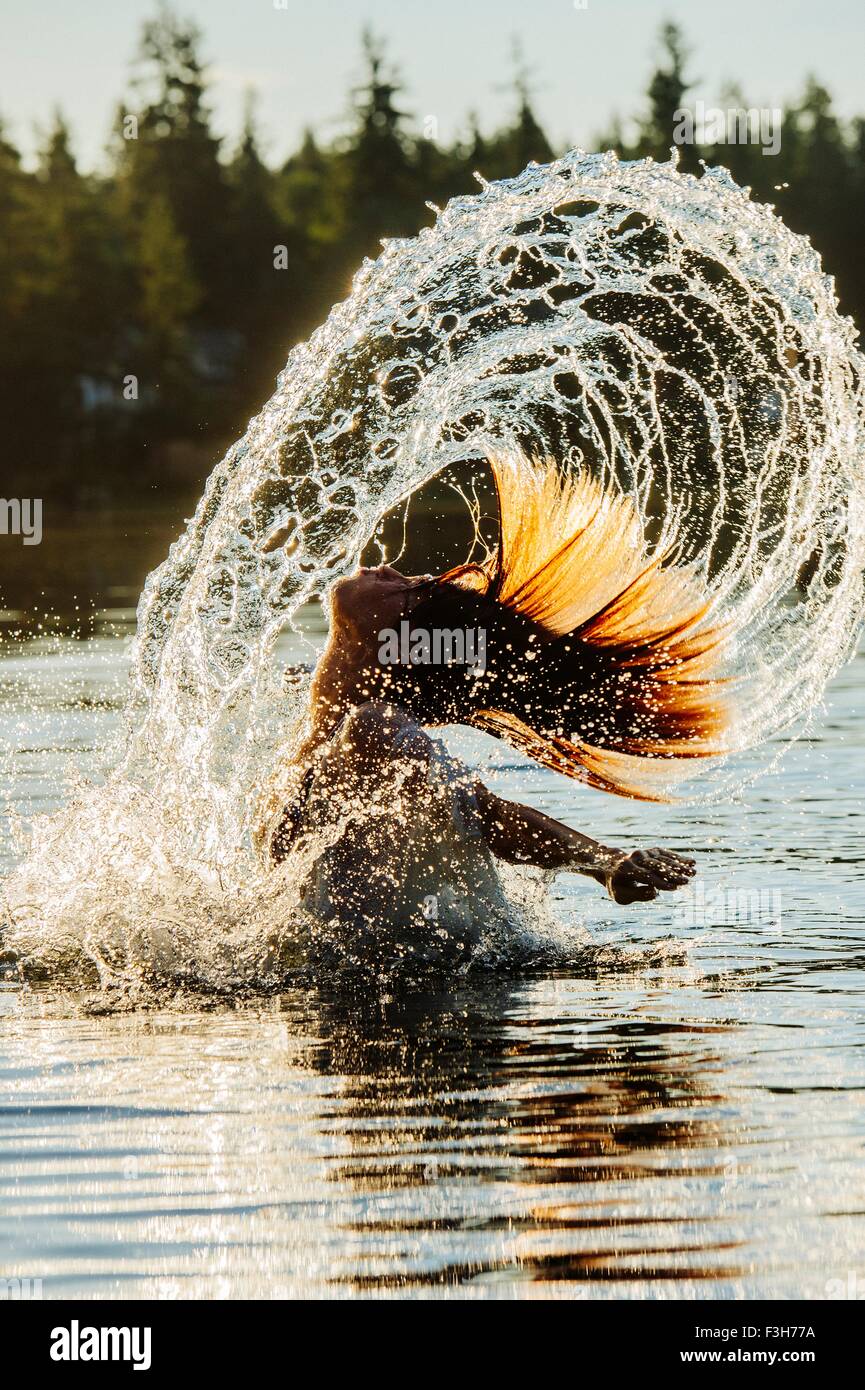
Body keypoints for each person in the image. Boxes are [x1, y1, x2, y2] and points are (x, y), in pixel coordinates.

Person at [257, 448, 729, 956]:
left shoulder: (377, 728)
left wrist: (605, 863)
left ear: (403, 642)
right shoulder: (334, 703)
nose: (393, 571)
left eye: (412, 591)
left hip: (381, 984)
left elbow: (487, 814)